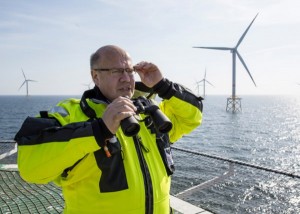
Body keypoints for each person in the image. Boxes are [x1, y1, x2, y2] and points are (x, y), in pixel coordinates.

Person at [15, 45, 203, 214]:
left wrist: (163, 86)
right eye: (117, 71)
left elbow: (193, 116)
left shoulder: (150, 113)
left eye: (130, 71)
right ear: (95, 76)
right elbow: (30, 167)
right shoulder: (73, 114)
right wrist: (98, 130)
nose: (126, 78)